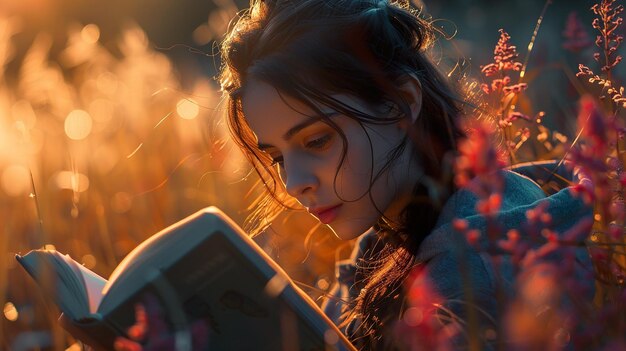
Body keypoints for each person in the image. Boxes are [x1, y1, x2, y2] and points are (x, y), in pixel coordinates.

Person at [218, 0, 595, 349]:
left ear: (401, 104)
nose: (293, 183)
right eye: (279, 158)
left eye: (316, 140)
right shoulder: (387, 240)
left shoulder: (466, 276)